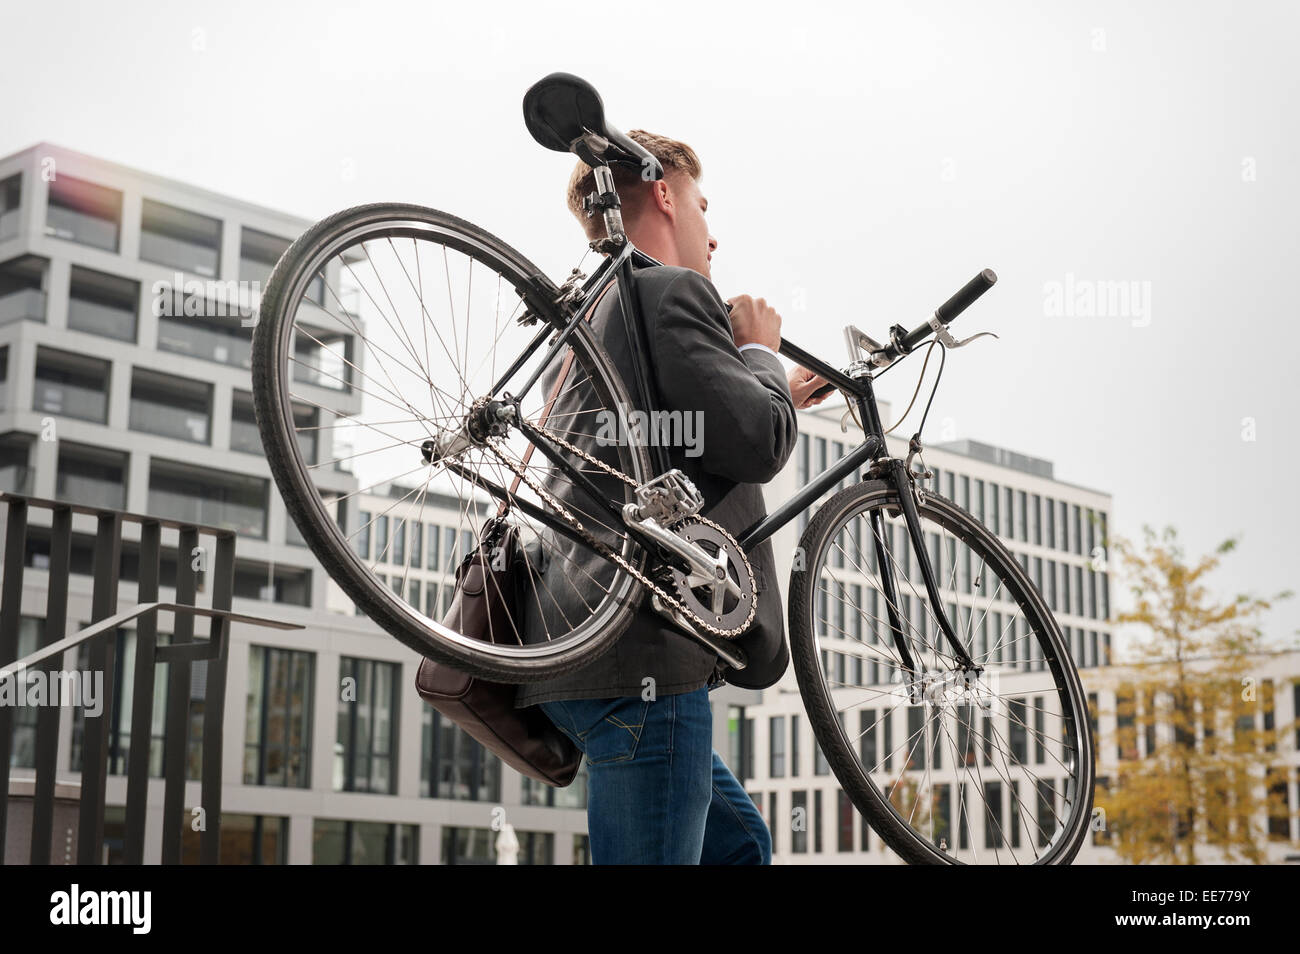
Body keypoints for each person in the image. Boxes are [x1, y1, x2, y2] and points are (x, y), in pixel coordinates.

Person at [513, 130, 828, 864]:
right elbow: (756, 443)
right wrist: (757, 354)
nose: (711, 235)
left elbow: (652, 437)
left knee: (740, 846)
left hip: (568, 644)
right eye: (700, 204)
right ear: (662, 194)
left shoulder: (582, 319)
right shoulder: (675, 290)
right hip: (645, 649)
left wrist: (765, 388)